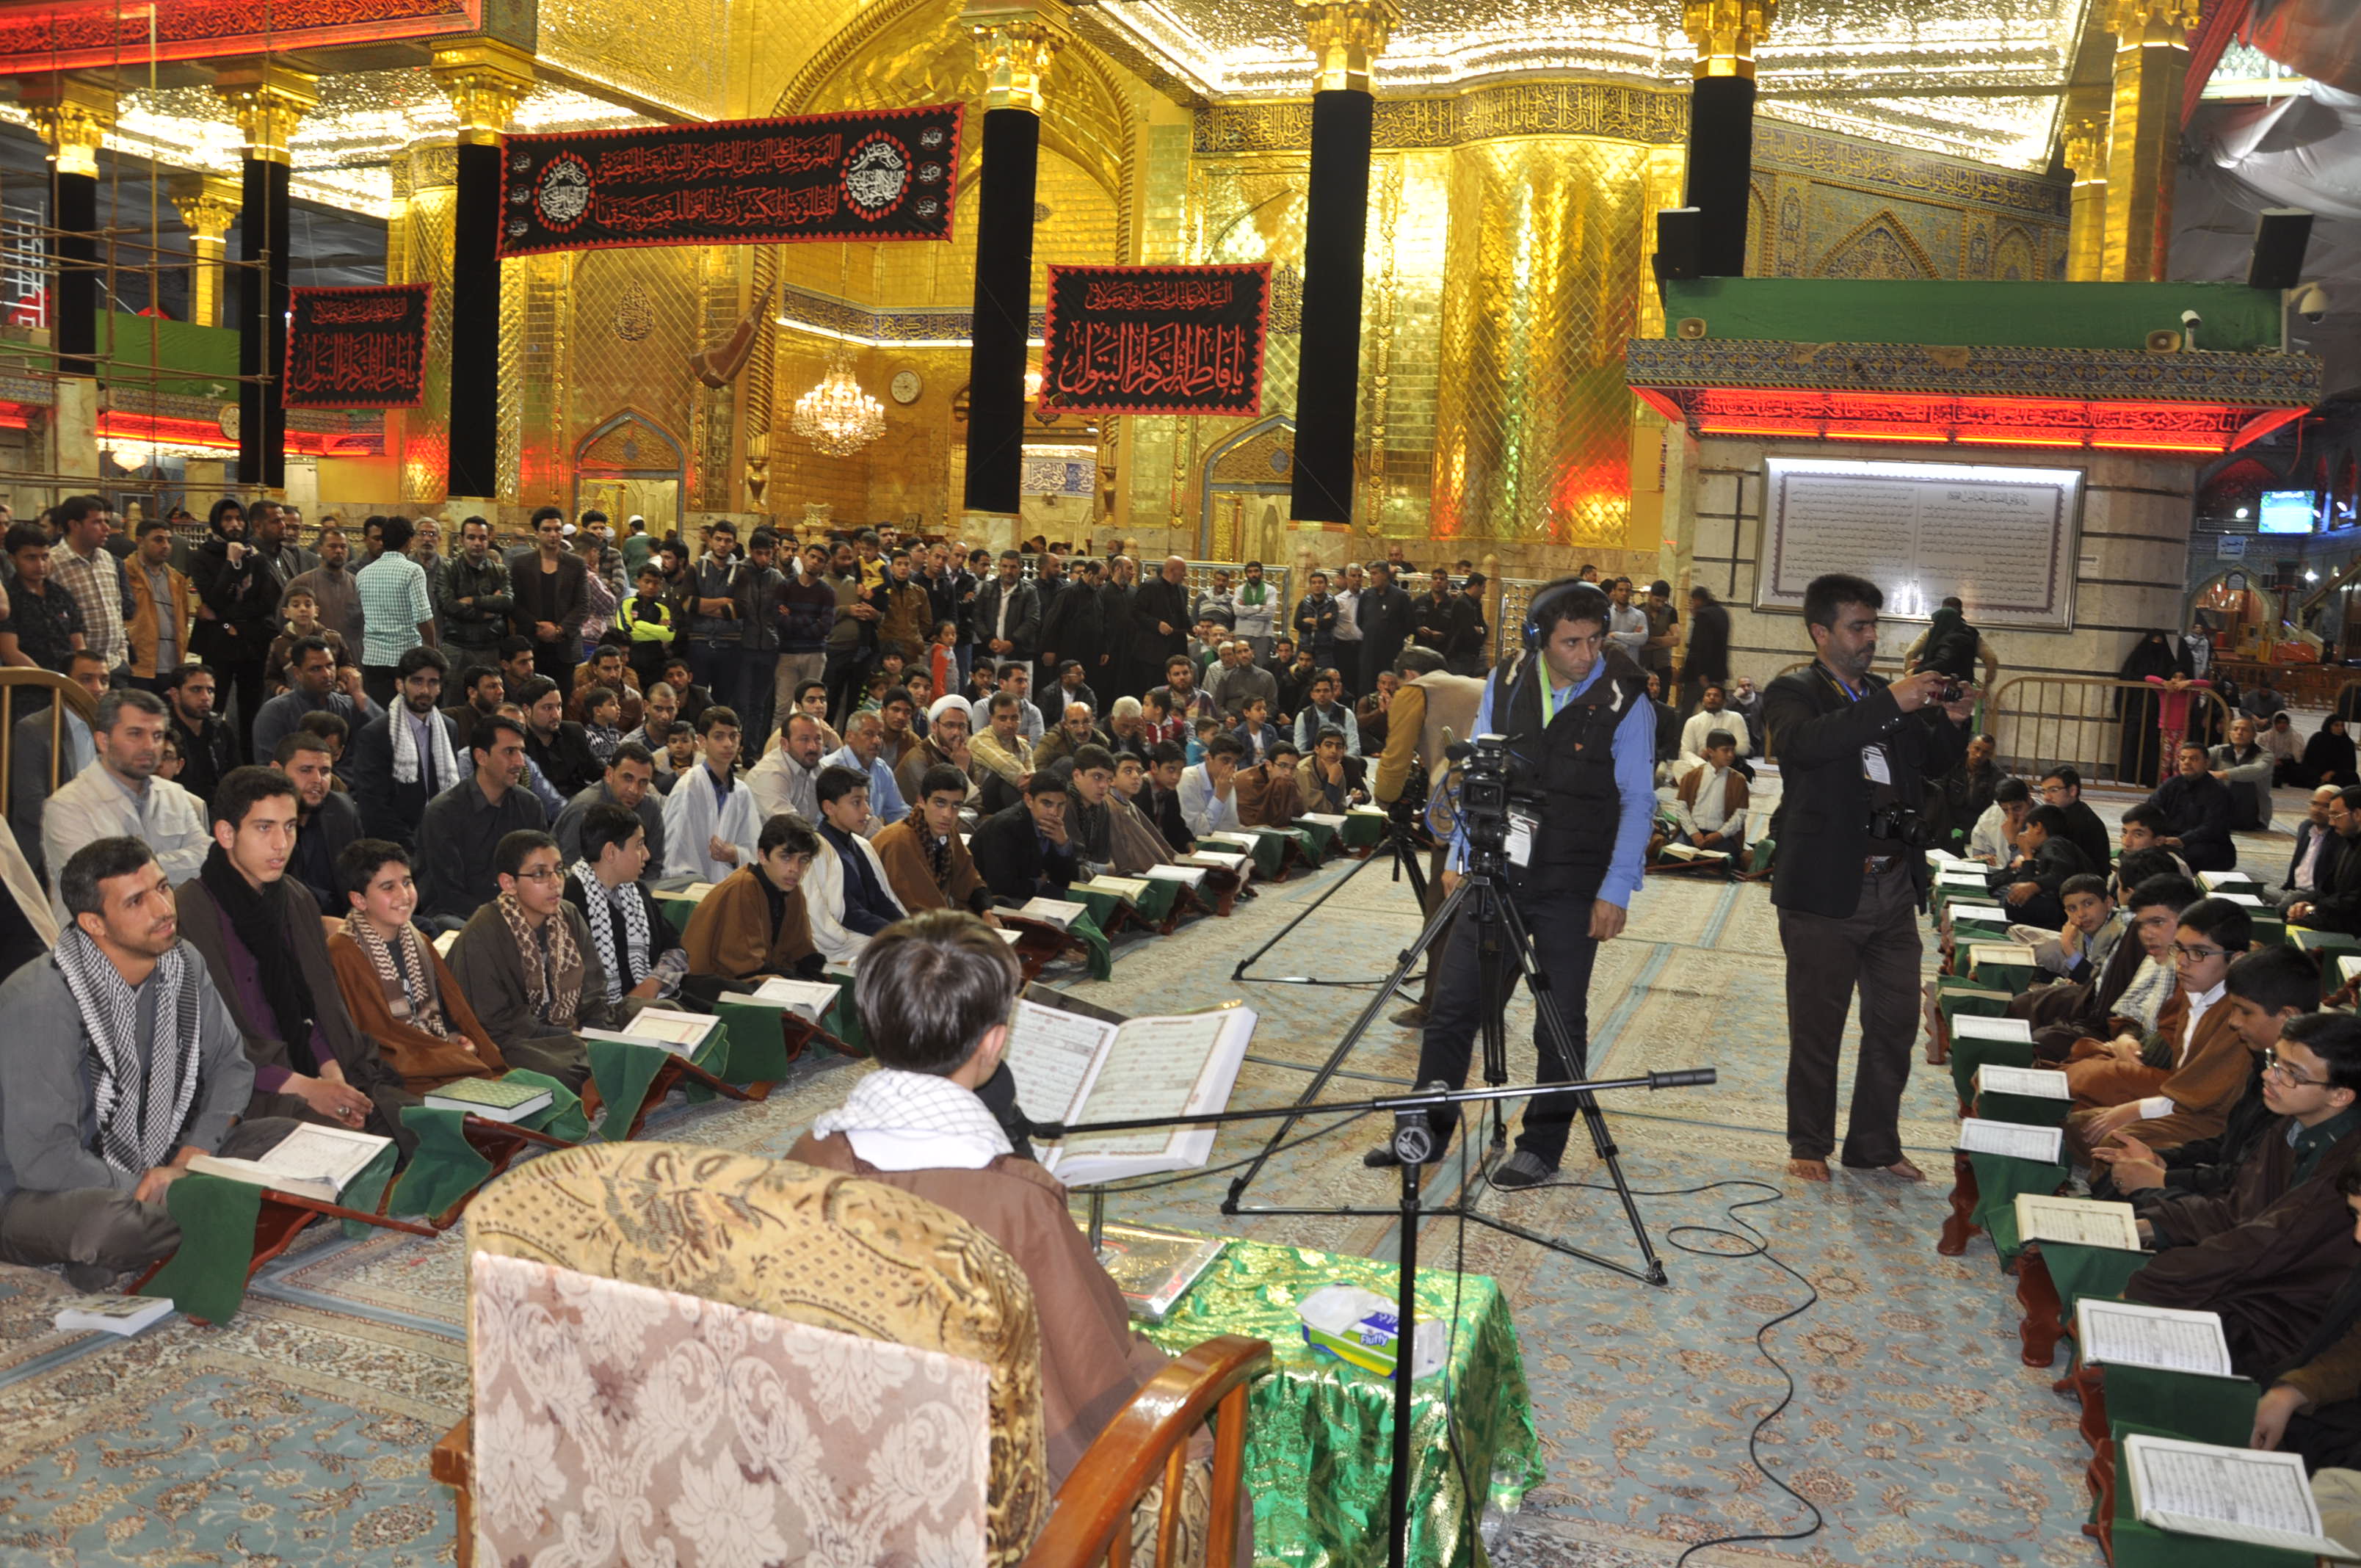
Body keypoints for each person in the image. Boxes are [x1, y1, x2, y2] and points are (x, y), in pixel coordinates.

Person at [787, 910, 1176, 1490]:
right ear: (994, 1043)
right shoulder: (1017, 1202)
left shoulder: (807, 1157)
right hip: (973, 1483)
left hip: (827, 1453)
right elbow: (1092, 1356)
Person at [1374, 578, 1655, 1188]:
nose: (1587, 654)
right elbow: (1480, 767)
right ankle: (1424, 1130)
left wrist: (1616, 889)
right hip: (1498, 868)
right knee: (1452, 1008)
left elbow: (1638, 800)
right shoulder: (1505, 680)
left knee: (1558, 1019)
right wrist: (1460, 851)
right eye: (1572, 642)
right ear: (1538, 639)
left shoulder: (1627, 697)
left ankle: (1542, 1146)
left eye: (1596, 640)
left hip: (1575, 880)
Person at [0, 838, 302, 1288]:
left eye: (162, 887)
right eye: (136, 901)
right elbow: (45, 1160)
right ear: (94, 923)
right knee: (111, 1225)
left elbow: (230, 1065)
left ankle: (181, 1224)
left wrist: (194, 1155)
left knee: (291, 1140)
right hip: (35, 1192)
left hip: (164, 1156)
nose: (163, 909)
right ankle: (211, 1215)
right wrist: (154, 1184)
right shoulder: (42, 1000)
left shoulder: (183, 963)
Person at [1766, 572, 1972, 1183]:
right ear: (1821, 632)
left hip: (1893, 885)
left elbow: (1928, 761)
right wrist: (1892, 704)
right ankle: (1809, 1142)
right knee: (1818, 1024)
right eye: (1857, 627)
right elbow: (1804, 746)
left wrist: (1953, 720)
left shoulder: (1884, 692)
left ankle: (1874, 1144)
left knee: (1895, 1023)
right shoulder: (1794, 691)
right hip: (1827, 889)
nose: (1870, 638)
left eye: (1874, 626)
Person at [173, 766, 416, 1144]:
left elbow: (319, 1009)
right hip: (252, 1089)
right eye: (264, 828)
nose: (281, 844)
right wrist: (308, 1089)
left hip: (318, 1070)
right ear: (226, 833)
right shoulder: (190, 911)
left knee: (416, 1125)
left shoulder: (296, 898)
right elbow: (213, 1043)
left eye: (289, 827)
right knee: (353, 1149)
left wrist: (334, 1082)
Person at [2115, 1010, 2361, 1379]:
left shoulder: (2347, 1165)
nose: (2269, 1075)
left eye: (2291, 1073)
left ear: (2340, 1095)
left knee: (2154, 1310)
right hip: (2256, 1268)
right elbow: (2238, 1209)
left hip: (2292, 1311)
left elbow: (2265, 1244)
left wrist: (2151, 1283)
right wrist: (2151, 1226)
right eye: (2275, 1061)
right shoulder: (2292, 1126)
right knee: (2136, 1230)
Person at [2064, 896, 2255, 1161]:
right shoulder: (2195, 989)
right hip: (2177, 1101)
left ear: (2236, 960)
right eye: (2180, 949)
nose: (2183, 962)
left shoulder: (2239, 1015)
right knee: (2076, 1123)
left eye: (2199, 953)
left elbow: (2201, 1096)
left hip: (2209, 1122)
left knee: (2116, 1141)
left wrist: (2134, 1110)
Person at [326, 838, 523, 1094]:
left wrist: (457, 1038)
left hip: (436, 1054)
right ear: (359, 899)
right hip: (397, 1071)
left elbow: (450, 1011)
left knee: (540, 1086)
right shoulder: (342, 953)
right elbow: (375, 1037)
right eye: (388, 887)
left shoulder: (420, 941)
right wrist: (444, 1053)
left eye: (407, 882)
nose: (404, 895)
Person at [443, 830, 616, 1081]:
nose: (555, 882)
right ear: (509, 883)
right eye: (539, 874)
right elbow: (495, 1020)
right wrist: (569, 1038)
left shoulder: (568, 914)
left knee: (652, 1024)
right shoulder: (483, 930)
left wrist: (601, 1032)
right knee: (566, 1069)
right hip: (512, 1039)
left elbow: (593, 991)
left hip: (568, 1029)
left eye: (559, 870)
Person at [40, 688, 209, 925]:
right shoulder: (67, 806)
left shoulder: (176, 796)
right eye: (135, 734)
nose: (149, 746)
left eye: (157, 736)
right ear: (103, 741)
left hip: (166, 934)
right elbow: (103, 884)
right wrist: (176, 865)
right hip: (94, 941)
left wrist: (135, 868)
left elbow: (207, 859)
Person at [414, 714, 545, 923]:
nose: (520, 762)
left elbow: (540, 871)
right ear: (481, 757)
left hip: (517, 911)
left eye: (522, 751)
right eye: (510, 752)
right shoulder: (443, 813)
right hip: (460, 915)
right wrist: (503, 919)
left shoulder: (530, 805)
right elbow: (447, 893)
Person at [564, 802, 686, 1014]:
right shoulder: (569, 901)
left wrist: (653, 983)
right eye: (639, 845)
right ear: (611, 852)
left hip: (653, 999)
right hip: (597, 1015)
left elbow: (675, 949)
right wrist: (630, 1005)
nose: (647, 855)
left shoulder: (637, 892)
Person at [677, 812, 822, 984]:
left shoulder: (792, 891)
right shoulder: (742, 887)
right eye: (786, 858)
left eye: (803, 860)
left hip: (760, 977)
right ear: (762, 856)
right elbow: (746, 967)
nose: (795, 869)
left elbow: (801, 952)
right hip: (714, 985)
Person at [347, 646, 464, 853]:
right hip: (393, 847)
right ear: (400, 684)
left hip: (441, 838)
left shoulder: (449, 728)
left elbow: (451, 795)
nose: (425, 690)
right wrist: (412, 848)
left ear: (440, 688)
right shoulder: (375, 734)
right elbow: (373, 806)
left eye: (433, 682)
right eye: (417, 681)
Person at [804, 765, 907, 963]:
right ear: (829, 808)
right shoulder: (816, 852)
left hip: (868, 931)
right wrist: (894, 932)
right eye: (856, 802)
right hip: (841, 941)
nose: (867, 810)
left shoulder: (860, 845)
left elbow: (880, 899)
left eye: (866, 800)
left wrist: (908, 927)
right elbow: (846, 913)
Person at [874, 763, 993, 915]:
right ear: (922, 801)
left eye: (956, 805)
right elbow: (916, 907)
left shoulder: (949, 833)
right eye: (940, 803)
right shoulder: (898, 841)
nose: (947, 814)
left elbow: (969, 881)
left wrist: (986, 911)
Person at [660, 706, 761, 881]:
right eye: (719, 736)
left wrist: (735, 854)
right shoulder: (689, 787)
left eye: (733, 736)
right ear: (702, 741)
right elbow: (674, 850)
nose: (728, 744)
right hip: (689, 886)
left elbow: (755, 849)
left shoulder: (742, 791)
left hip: (731, 884)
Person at [352, 515, 439, 711]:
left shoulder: (363, 574)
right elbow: (423, 616)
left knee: (381, 715)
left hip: (373, 659)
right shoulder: (412, 571)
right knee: (406, 715)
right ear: (409, 541)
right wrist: (433, 649)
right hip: (405, 658)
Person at [273, 730, 362, 915]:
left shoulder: (342, 810)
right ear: (277, 771)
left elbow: (360, 879)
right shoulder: (260, 822)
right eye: (305, 770)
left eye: (325, 771)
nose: (317, 780)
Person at [252, 635, 378, 763]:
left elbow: (385, 738)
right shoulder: (275, 713)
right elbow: (270, 767)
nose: (327, 674)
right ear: (297, 673)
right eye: (316, 669)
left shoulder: (349, 706)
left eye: (330, 665)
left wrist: (359, 693)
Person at [551, 741, 665, 876]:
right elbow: (569, 870)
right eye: (628, 778)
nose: (634, 790)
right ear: (610, 775)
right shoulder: (583, 810)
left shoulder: (651, 808)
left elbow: (654, 865)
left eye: (643, 782)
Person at [509, 507, 589, 699]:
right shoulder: (521, 563)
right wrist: (537, 626)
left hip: (565, 645)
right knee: (529, 698)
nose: (553, 534)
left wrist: (559, 630)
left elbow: (583, 604)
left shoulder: (576, 563)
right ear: (536, 533)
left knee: (562, 699)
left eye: (557, 529)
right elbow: (514, 603)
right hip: (531, 643)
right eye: (547, 530)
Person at [970, 769, 1079, 905]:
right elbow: (1001, 887)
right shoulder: (1005, 827)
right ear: (1029, 800)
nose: (1054, 812)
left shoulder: (1054, 825)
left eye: (1061, 805)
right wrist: (1039, 883)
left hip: (1030, 896)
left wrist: (1063, 844)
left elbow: (1068, 881)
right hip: (991, 902)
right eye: (1047, 804)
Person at [1990, 802, 2092, 930]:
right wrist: (2027, 858)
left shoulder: (2055, 843)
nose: (2025, 834)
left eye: (2027, 829)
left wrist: (2034, 884)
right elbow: (2024, 884)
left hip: (2068, 909)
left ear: (2038, 827)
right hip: (2058, 907)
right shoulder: (2047, 848)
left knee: (2011, 901)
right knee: (2006, 890)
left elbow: (2060, 874)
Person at [123, 515, 192, 694]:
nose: (166, 546)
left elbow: (183, 620)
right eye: (158, 540)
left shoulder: (177, 579)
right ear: (140, 541)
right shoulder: (125, 572)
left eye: (169, 540)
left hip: (172, 665)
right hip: (138, 666)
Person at [2144, 740, 2238, 873]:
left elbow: (2213, 827)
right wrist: (2157, 835)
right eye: (2183, 759)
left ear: (2206, 763)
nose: (2186, 763)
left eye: (2193, 759)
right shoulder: (2171, 784)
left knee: (2187, 856)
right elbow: (2151, 810)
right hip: (2169, 840)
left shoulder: (2218, 791)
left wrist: (2182, 840)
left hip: (2205, 844)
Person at [2288, 787, 2361, 934]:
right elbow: (2327, 886)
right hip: (2338, 914)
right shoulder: (2347, 840)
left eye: (2336, 815)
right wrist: (2306, 902)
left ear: (2357, 814)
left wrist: (2315, 908)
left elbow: (2355, 900)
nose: (2332, 823)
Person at [820, 709, 907, 834]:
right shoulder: (828, 768)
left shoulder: (882, 768)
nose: (877, 741)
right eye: (869, 734)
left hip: (873, 840)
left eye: (880, 735)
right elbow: (821, 820)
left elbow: (898, 811)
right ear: (849, 736)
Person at [515, 674, 601, 798]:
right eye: (548, 708)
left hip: (579, 801)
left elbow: (599, 772)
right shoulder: (518, 742)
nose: (556, 715)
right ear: (527, 710)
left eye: (559, 706)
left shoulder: (573, 732)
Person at [165, 663, 236, 802]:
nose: (206, 697)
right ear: (175, 695)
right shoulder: (162, 733)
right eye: (196, 689)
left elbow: (236, 774)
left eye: (210, 690)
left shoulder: (220, 728)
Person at [1669, 729, 1749, 853]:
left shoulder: (1738, 780)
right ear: (1711, 752)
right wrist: (1694, 833)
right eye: (1725, 750)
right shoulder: (1692, 776)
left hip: (1723, 837)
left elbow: (1740, 815)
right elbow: (1681, 807)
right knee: (1675, 856)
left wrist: (1719, 835)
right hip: (1692, 833)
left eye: (1733, 750)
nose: (1731, 755)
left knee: (1721, 860)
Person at [750, 709, 827, 825]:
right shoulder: (769, 774)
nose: (813, 747)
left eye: (818, 739)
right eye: (804, 739)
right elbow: (790, 828)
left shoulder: (819, 768)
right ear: (784, 744)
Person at [2036, 765, 2114, 873]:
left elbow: (2058, 869)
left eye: (2053, 790)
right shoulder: (2064, 813)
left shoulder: (2079, 821)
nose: (2046, 797)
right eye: (2044, 791)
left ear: (2073, 790)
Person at [2279, 784, 2344, 910]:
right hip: (2291, 890)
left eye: (2326, 806)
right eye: (2314, 804)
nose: (2317, 810)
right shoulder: (2305, 827)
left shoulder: (2340, 837)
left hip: (2313, 896)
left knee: (2284, 906)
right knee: (2252, 891)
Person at [1355, 562, 1415, 697]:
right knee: (1367, 689)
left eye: (1375, 574)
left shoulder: (1400, 597)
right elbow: (1360, 621)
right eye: (1370, 574)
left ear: (1385, 574)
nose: (1371, 577)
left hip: (1390, 653)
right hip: (1369, 652)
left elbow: (1409, 625)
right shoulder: (1367, 596)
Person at [1675, 681, 1751, 780]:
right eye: (1708, 695)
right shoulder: (1692, 721)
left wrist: (1718, 752)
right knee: (1678, 766)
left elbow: (1744, 748)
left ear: (1724, 701)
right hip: (1701, 764)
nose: (1712, 698)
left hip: (1728, 764)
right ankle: (1710, 780)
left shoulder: (1735, 718)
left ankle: (1702, 781)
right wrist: (1701, 764)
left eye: (1716, 696)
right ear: (1703, 700)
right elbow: (1686, 751)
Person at [2209, 715, 2274, 831]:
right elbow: (2199, 760)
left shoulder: (2265, 755)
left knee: (2242, 783)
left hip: (2251, 814)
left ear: (2254, 735)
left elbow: (2256, 770)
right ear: (2229, 733)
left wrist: (2221, 774)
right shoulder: (2219, 750)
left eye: (2245, 730)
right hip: (2220, 809)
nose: (2239, 733)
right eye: (2235, 729)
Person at [1178, 731, 1245, 838]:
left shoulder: (1227, 781)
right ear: (1208, 758)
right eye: (1225, 761)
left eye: (1235, 763)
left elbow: (1231, 826)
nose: (1230, 768)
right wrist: (1220, 797)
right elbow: (1196, 832)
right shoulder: (1188, 778)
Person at [1680, 584, 1730, 713]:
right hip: (1718, 674)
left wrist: (1702, 673)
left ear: (1697, 600)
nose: (1692, 605)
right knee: (1715, 712)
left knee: (1686, 712)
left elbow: (1701, 646)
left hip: (1698, 675)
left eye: (1693, 602)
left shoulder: (1703, 615)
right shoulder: (1723, 613)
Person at [2306, 715, 2361, 790]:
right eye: (2336, 725)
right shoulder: (2318, 738)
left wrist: (2333, 772)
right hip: (2317, 772)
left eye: (2342, 725)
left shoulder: (2347, 742)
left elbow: (2351, 766)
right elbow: (2309, 760)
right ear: (2329, 726)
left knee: (2353, 777)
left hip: (2337, 774)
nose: (2340, 728)